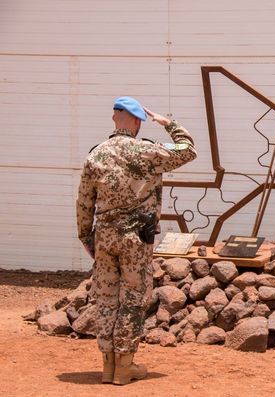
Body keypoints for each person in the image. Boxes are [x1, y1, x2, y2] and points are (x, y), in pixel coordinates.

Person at [76, 96, 197, 385]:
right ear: (137, 121)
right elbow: (188, 150)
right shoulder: (147, 152)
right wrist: (168, 123)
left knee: (106, 299)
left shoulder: (96, 155)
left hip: (104, 238)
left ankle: (107, 366)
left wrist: (85, 237)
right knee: (132, 299)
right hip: (135, 241)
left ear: (114, 119)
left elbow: (84, 202)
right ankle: (124, 366)